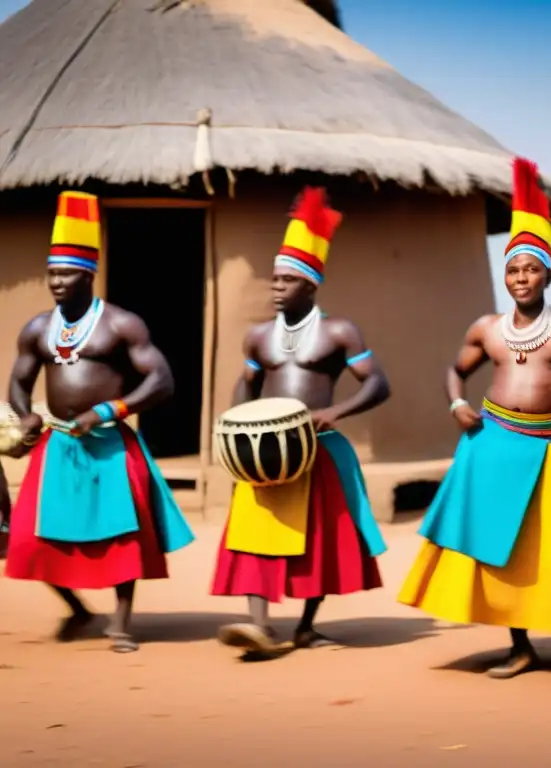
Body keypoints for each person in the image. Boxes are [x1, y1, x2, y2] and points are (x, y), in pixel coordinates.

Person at [398, 158, 551, 679]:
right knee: (502, 550)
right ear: (504, 276)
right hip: (493, 441)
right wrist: (456, 404)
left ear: (548, 273)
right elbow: (454, 371)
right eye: (513, 269)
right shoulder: (486, 328)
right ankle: (520, 645)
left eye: (531, 268)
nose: (522, 277)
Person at [3, 191, 195, 653]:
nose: (56, 282)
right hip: (59, 444)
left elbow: (162, 381)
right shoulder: (37, 328)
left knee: (121, 533)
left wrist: (108, 410)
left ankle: (122, 623)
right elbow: (17, 381)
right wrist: (25, 414)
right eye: (52, 273)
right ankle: (76, 607)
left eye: (66, 273)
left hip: (110, 443)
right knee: (31, 537)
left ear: (88, 274)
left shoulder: (121, 324)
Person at [212, 187, 390, 655]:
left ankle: (306, 626)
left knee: (320, 541)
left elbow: (377, 384)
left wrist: (334, 412)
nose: (275, 287)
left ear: (310, 285)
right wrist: (239, 428)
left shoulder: (339, 332)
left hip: (318, 449)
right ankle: (259, 626)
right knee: (254, 533)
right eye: (273, 279)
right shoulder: (258, 337)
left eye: (286, 280)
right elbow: (244, 386)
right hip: (264, 452)